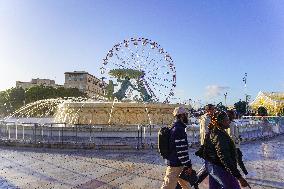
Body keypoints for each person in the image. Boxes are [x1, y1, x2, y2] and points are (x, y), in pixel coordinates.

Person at [203, 111, 250, 189]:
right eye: (227, 119)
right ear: (221, 121)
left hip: (212, 166)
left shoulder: (215, 131)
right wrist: (239, 177)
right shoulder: (219, 135)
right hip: (221, 168)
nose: (229, 121)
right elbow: (225, 157)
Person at [161, 107, 193, 189]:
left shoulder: (174, 126)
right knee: (168, 186)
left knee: (186, 184)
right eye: (186, 114)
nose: (187, 116)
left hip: (178, 162)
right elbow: (181, 150)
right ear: (182, 115)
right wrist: (188, 164)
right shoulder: (179, 129)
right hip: (175, 164)